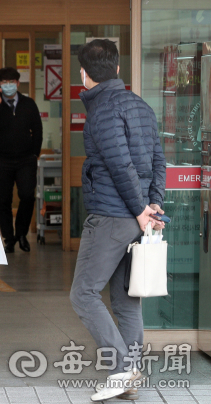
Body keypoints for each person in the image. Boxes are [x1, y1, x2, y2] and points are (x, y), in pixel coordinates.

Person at [68, 39, 166, 402]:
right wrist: (153, 204)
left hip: (113, 216)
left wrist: (142, 208)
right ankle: (131, 373)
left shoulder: (103, 111)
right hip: (137, 216)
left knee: (83, 293)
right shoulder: (139, 105)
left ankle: (122, 367)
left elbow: (119, 164)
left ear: (84, 73)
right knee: (126, 299)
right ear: (118, 68)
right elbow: (159, 159)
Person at [0, 67, 42, 253]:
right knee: (4, 200)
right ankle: (9, 238)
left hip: (25, 159)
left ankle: (21, 234)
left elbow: (38, 130)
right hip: (1, 160)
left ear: (18, 83)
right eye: (4, 82)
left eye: (11, 81)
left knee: (26, 195)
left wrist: (34, 154)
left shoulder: (28, 104)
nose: (8, 85)